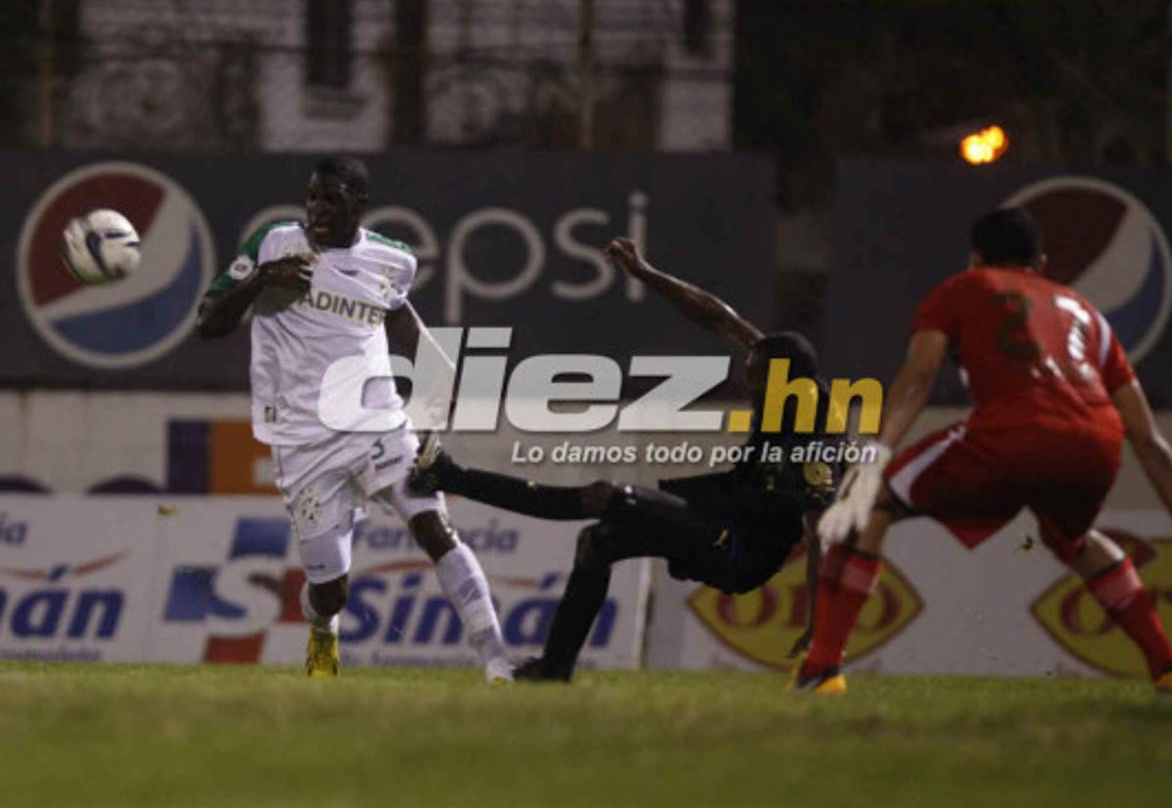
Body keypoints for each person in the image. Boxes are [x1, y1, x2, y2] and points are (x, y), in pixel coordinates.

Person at [408, 237, 841, 681]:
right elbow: (717, 317)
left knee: (604, 497)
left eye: (756, 380)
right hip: (723, 508)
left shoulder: (817, 437)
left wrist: (820, 631)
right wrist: (646, 273)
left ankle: (451, 476)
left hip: (742, 550)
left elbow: (821, 536)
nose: (749, 387)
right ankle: (553, 670)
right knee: (599, 542)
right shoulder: (782, 370)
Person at [806, 208, 1172, 696]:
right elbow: (1147, 437)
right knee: (1076, 539)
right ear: (1041, 263)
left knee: (872, 504)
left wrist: (875, 458)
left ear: (975, 258)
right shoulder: (1087, 314)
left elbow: (919, 376)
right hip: (1097, 445)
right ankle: (1171, 667)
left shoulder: (963, 288)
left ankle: (822, 668)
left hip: (1014, 434)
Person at [195, 156, 512, 682]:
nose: (317, 209)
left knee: (435, 529)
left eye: (331, 199)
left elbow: (400, 321)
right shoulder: (274, 244)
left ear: (359, 204)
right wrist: (262, 281)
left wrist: (438, 389)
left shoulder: (394, 260)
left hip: (377, 422)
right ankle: (323, 629)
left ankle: (499, 664)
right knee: (330, 591)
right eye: (311, 197)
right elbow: (208, 322)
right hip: (301, 440)